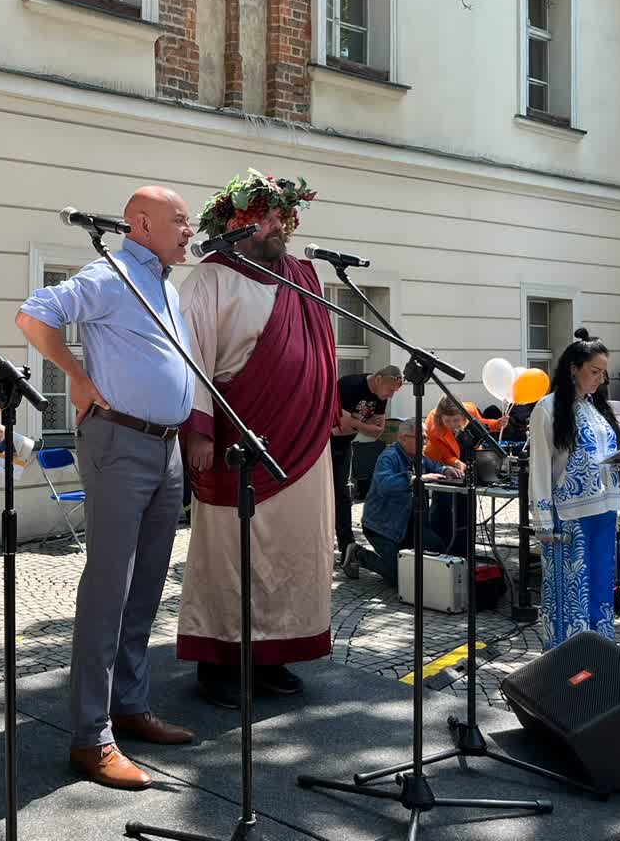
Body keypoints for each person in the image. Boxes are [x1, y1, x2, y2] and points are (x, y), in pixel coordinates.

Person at [16, 186, 197, 790]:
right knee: (109, 590)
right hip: (120, 443)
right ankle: (91, 736)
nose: (190, 230)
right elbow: (34, 314)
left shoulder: (166, 284)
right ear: (141, 224)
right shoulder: (111, 274)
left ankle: (130, 705)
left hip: (166, 447)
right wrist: (76, 375)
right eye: (179, 220)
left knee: (147, 586)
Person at [178, 170, 338, 710]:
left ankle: (272, 655)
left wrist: (329, 409)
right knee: (231, 552)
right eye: (265, 217)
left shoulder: (305, 277)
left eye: (283, 216)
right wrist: (198, 430)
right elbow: (191, 356)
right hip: (237, 443)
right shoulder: (210, 277)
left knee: (295, 548)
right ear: (236, 223)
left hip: (304, 441)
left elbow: (320, 351)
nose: (278, 226)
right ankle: (220, 660)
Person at [527, 330, 620, 649]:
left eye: (603, 372)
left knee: (599, 586)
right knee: (570, 591)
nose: (600, 379)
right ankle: (566, 655)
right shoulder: (548, 408)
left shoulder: (597, 409)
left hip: (604, 510)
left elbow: (600, 458)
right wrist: (543, 520)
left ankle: (597, 652)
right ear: (573, 368)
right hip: (569, 515)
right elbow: (540, 466)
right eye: (594, 371)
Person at [341, 419, 461, 582]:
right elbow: (384, 484)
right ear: (403, 438)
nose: (425, 442)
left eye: (426, 438)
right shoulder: (388, 457)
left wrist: (446, 470)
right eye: (420, 438)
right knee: (400, 575)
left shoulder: (419, 458)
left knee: (437, 549)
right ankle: (358, 554)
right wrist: (414, 479)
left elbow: (434, 466)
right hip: (383, 528)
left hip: (408, 526)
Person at [331, 366, 404, 568]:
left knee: (343, 495)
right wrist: (363, 424)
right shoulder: (350, 385)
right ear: (379, 379)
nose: (390, 396)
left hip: (344, 445)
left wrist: (355, 423)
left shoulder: (381, 395)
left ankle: (347, 546)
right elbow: (338, 426)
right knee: (326, 495)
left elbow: (377, 432)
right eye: (390, 390)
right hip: (324, 443)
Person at [423, 396, 507, 555]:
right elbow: (444, 454)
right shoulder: (433, 425)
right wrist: (455, 463)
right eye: (448, 421)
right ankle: (441, 550)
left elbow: (480, 424)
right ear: (441, 418)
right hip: (441, 463)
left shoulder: (470, 409)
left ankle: (464, 551)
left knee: (466, 507)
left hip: (464, 454)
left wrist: (497, 424)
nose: (453, 425)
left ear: (463, 415)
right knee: (444, 506)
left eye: (456, 420)